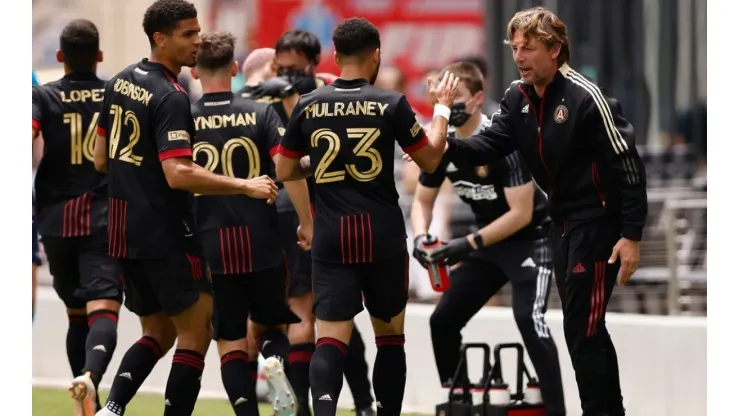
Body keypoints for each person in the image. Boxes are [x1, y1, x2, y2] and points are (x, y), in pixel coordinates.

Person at [415, 7, 648, 416]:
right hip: (564, 226)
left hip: (598, 223)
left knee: (583, 329)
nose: (519, 56)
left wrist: (631, 235)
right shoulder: (516, 97)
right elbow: (486, 146)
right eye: (515, 47)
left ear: (556, 49)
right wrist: (439, 137)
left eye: (529, 48)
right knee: (584, 329)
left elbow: (628, 165)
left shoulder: (586, 97)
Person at [91, 1, 278, 415]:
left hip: (122, 230)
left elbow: (100, 157)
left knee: (156, 330)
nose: (197, 40)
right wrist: (243, 184)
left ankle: (112, 408)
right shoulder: (171, 95)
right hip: (163, 230)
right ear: (161, 39)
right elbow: (178, 173)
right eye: (188, 34)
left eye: (198, 32)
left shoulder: (119, 81)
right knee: (196, 332)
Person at [275, 17, 459, 415]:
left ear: (336, 56)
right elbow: (430, 158)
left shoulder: (309, 104)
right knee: (389, 338)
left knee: (330, 341)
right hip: (382, 236)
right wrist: (442, 108)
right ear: (376, 55)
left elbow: (285, 171)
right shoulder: (390, 103)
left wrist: (313, 177)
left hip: (332, 236)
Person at [410, 61, 566, 415]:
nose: (449, 109)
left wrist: (466, 245)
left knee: (530, 320)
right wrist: (421, 238)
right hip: (486, 244)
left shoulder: (502, 139)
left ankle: (557, 411)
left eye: (456, 100)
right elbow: (422, 199)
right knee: (443, 320)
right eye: (443, 103)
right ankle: (461, 401)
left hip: (531, 239)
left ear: (479, 98)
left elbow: (521, 214)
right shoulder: (443, 143)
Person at [240, 32, 377, 416]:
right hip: (292, 213)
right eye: (280, 67)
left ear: (315, 62)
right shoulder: (264, 98)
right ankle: (304, 408)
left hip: (332, 210)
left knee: (336, 314)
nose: (287, 73)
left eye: (294, 67)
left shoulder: (330, 90)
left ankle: (362, 402)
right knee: (307, 314)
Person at [189, 31, 306, 416]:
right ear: (235, 69)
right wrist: (307, 220)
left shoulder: (185, 118)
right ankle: (273, 363)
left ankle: (245, 412)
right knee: (272, 328)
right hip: (262, 240)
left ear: (195, 72)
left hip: (212, 243)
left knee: (231, 339)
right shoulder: (261, 112)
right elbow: (287, 168)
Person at [32, 19, 124, 416]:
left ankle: (88, 401)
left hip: (56, 220)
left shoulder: (43, 96)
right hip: (103, 217)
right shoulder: (113, 95)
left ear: (59, 56)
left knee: (74, 314)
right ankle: (90, 377)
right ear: (99, 56)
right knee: (103, 307)